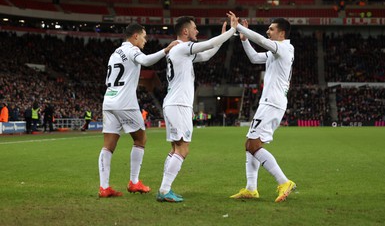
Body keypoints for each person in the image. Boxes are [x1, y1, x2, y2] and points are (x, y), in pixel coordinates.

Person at [156, 14, 237, 202]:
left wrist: (221, 39)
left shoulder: (179, 51)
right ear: (185, 31)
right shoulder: (182, 47)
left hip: (173, 103)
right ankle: (164, 190)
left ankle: (164, 188)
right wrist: (233, 30)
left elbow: (207, 53)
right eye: (194, 28)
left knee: (175, 148)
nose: (197, 31)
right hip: (178, 104)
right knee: (183, 149)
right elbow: (207, 45)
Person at [98, 23, 179, 198]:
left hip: (109, 101)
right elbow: (146, 60)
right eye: (144, 36)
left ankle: (104, 187)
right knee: (140, 139)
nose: (145, 40)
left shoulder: (115, 53)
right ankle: (134, 182)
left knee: (108, 145)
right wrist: (166, 49)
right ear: (135, 36)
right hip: (125, 102)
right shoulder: (131, 50)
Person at [229, 12, 296, 202]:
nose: (268, 31)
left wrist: (240, 27)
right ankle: (251, 188)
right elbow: (254, 57)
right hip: (269, 102)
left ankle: (284, 181)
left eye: (271, 29)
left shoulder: (283, 48)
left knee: (253, 144)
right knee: (249, 144)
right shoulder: (277, 50)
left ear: (281, 33)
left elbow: (262, 41)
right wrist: (244, 39)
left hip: (272, 103)